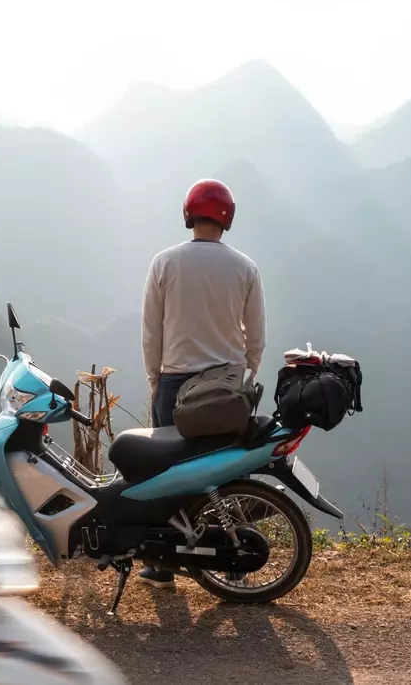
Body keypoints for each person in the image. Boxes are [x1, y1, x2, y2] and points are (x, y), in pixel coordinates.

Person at [137, 178, 266, 588]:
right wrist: (248, 373)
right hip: (227, 385)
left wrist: (154, 379)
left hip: (175, 384)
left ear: (188, 214)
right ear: (227, 218)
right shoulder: (245, 267)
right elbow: (256, 334)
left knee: (166, 474)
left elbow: (150, 331)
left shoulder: (164, 263)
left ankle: (162, 567)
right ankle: (234, 562)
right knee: (227, 472)